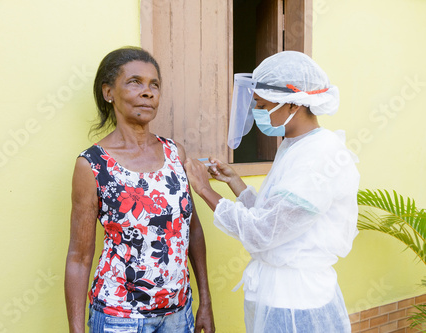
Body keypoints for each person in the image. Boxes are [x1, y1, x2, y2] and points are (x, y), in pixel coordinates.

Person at [184, 51, 359, 333]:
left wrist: (204, 190)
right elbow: (276, 212)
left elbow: (263, 231)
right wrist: (235, 182)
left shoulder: (321, 156)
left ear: (293, 104)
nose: (258, 113)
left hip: (297, 301)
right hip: (276, 292)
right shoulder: (294, 145)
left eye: (263, 105)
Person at [65, 46, 215, 333]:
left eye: (154, 85)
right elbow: (79, 257)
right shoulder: (93, 165)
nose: (148, 92)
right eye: (135, 82)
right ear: (108, 92)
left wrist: (205, 301)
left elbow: (192, 230)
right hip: (118, 317)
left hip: (177, 313)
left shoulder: (174, 153)